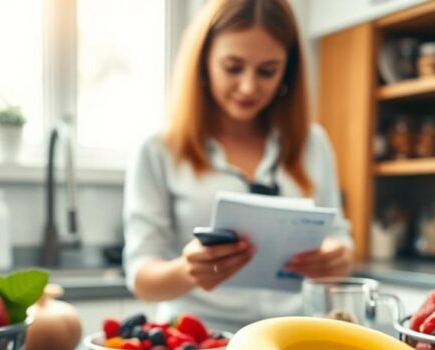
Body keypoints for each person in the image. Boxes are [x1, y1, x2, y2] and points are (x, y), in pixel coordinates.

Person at [123, 0, 353, 332]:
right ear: (204, 62)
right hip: (196, 345)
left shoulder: (312, 144)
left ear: (288, 70)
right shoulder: (158, 149)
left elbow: (341, 240)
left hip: (296, 337)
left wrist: (336, 257)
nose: (248, 87)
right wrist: (188, 271)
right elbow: (142, 278)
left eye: (267, 71)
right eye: (233, 67)